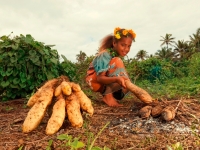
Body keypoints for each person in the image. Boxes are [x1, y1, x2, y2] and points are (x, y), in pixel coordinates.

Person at [85, 27, 136, 107]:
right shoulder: (105, 54)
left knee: (126, 80)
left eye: (129, 46)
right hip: (93, 80)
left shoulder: (113, 55)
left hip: (101, 81)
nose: (126, 49)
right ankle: (108, 98)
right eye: (123, 45)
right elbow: (100, 78)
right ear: (114, 43)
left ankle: (112, 94)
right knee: (118, 62)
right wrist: (116, 79)